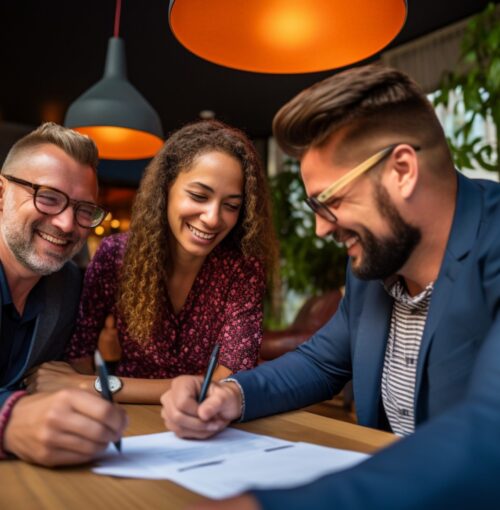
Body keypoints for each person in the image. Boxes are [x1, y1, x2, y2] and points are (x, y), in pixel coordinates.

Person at [161, 64, 500, 509]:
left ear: (402, 169)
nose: (321, 229)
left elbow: (488, 430)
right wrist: (229, 395)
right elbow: (321, 363)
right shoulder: (374, 269)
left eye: (331, 201)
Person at [27, 120, 277, 404]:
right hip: (125, 416)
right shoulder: (115, 255)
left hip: (207, 419)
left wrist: (93, 385)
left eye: (231, 205)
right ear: (166, 187)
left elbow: (232, 382)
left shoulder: (243, 269)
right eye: (199, 196)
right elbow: (79, 353)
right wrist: (88, 389)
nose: (213, 217)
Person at [0, 122, 126, 466]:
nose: (68, 225)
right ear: (1, 194)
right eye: (49, 198)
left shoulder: (69, 284)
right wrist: (8, 420)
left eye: (84, 210)